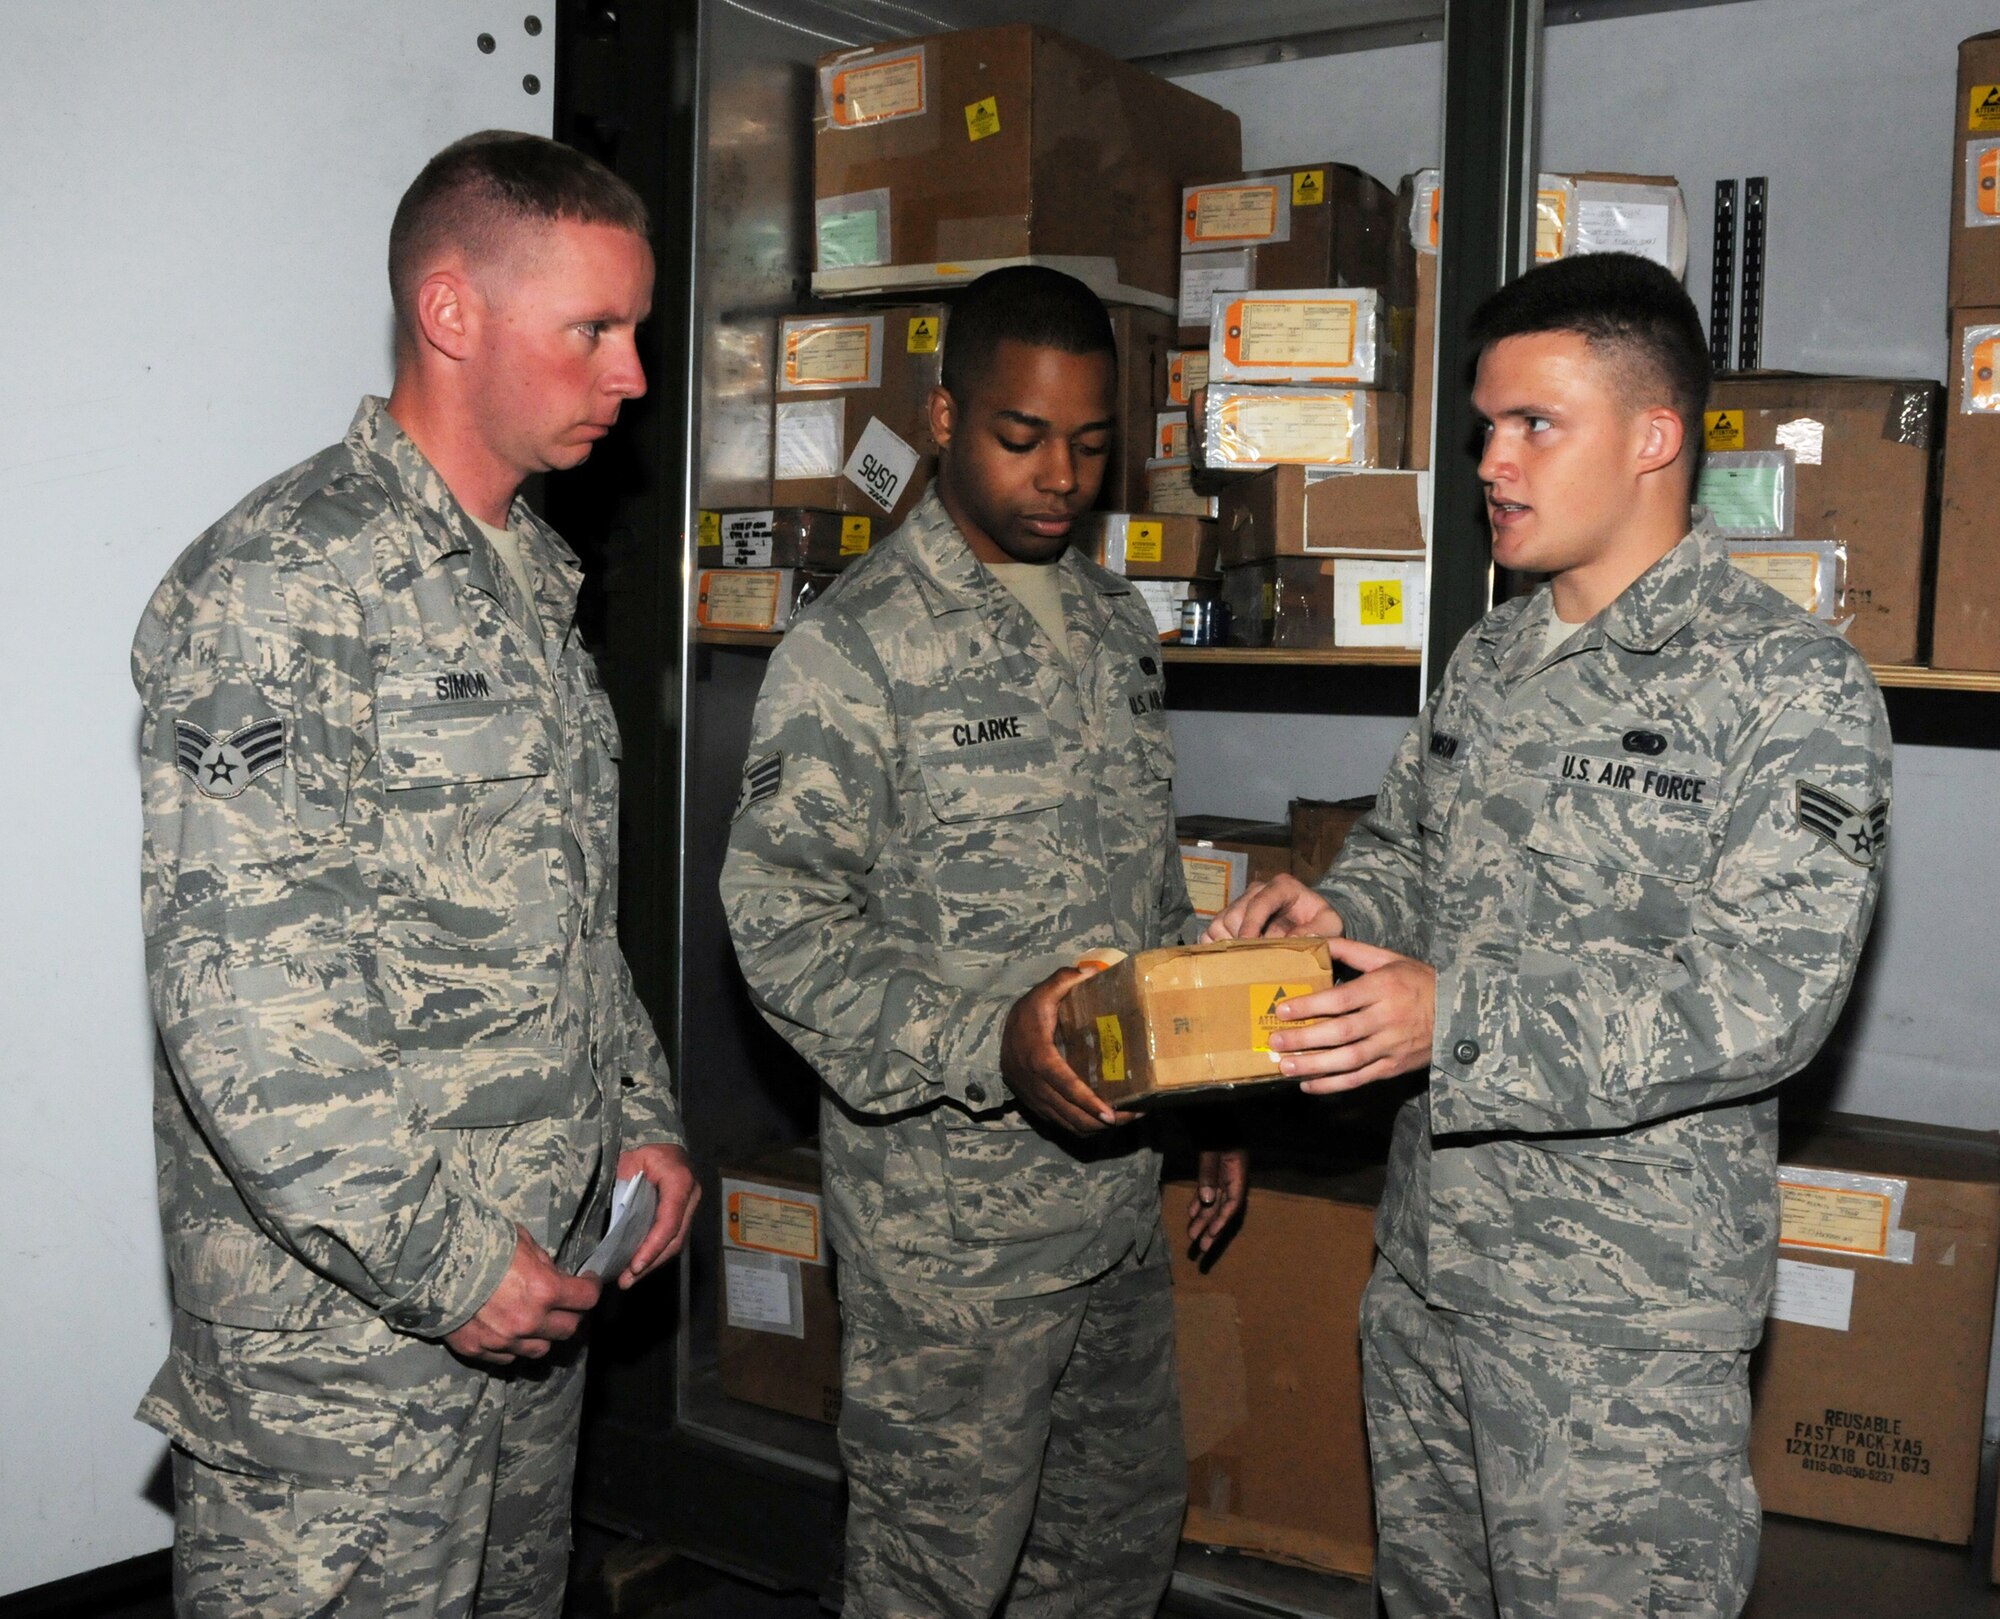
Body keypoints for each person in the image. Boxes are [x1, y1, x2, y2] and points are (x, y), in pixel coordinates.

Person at [1208, 251, 1890, 1619]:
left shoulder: (1789, 686)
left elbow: (1770, 997)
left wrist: (1454, 1020)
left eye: (1535, 424)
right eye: (1485, 429)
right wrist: (1338, 913)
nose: (1493, 464)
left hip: (1621, 1335)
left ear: (1653, 438)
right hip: (1432, 1277)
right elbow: (1414, 856)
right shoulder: (1491, 660)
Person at [131, 131, 699, 1618]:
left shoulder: (527, 578)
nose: (633, 374)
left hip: (529, 1307)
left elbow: (564, 920)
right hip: (347, 1371)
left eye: (633, 329)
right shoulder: (284, 582)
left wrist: (637, 1117)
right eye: (594, 329)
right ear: (452, 313)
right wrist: (450, 1265)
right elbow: (248, 1001)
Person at [721, 265, 1245, 1619]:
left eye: (1091, 444)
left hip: (1114, 1210)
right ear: (947, 417)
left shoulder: (1114, 625)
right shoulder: (857, 648)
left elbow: (1145, 897)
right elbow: (782, 928)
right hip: (951, 1249)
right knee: (933, 1583)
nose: (1060, 477)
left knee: (1114, 1553)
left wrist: (1206, 1093)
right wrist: (987, 1046)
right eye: (1023, 437)